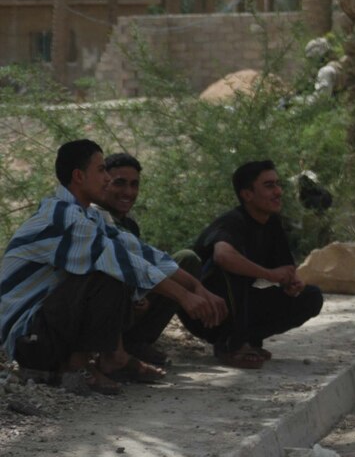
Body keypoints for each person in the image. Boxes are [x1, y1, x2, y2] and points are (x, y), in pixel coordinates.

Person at [0, 140, 227, 395]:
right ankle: (78, 366)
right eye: (101, 170)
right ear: (78, 176)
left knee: (119, 264)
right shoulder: (62, 217)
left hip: (48, 329)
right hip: (30, 340)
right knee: (109, 271)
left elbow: (142, 252)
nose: (107, 178)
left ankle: (111, 356)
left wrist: (197, 288)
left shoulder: (91, 216)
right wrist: (184, 297)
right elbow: (120, 262)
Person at [179, 160, 324, 370]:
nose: (278, 191)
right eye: (269, 186)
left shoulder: (272, 223)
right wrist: (270, 274)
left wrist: (291, 283)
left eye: (277, 184)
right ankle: (231, 344)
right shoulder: (233, 222)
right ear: (247, 194)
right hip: (207, 311)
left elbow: (285, 269)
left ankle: (247, 339)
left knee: (311, 296)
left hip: (243, 306)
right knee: (234, 270)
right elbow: (223, 257)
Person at [97, 152, 202, 366]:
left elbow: (147, 263)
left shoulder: (129, 224)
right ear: (104, 183)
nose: (128, 192)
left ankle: (135, 343)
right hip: (101, 302)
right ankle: (109, 351)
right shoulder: (93, 219)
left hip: (132, 297)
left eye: (134, 185)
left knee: (185, 260)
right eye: (120, 183)